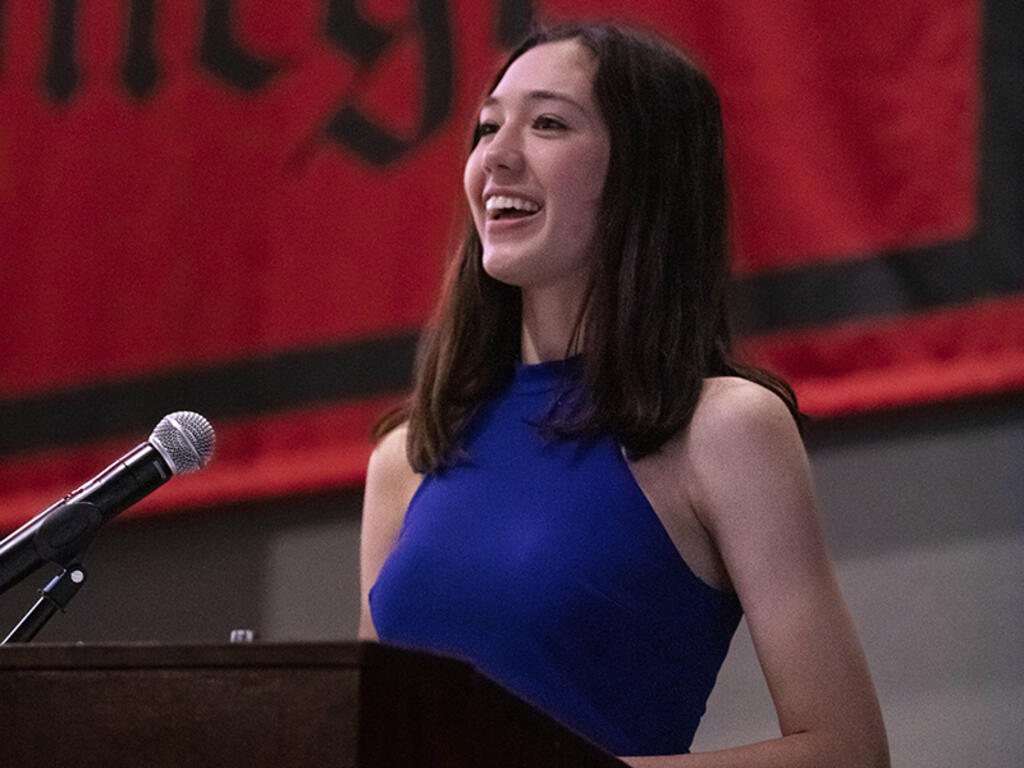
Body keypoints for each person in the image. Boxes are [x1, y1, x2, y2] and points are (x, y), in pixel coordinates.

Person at [358, 21, 889, 767]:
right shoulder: (408, 454)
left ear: (644, 171)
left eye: (547, 124)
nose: (495, 158)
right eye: (486, 127)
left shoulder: (725, 429)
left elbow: (847, 752)